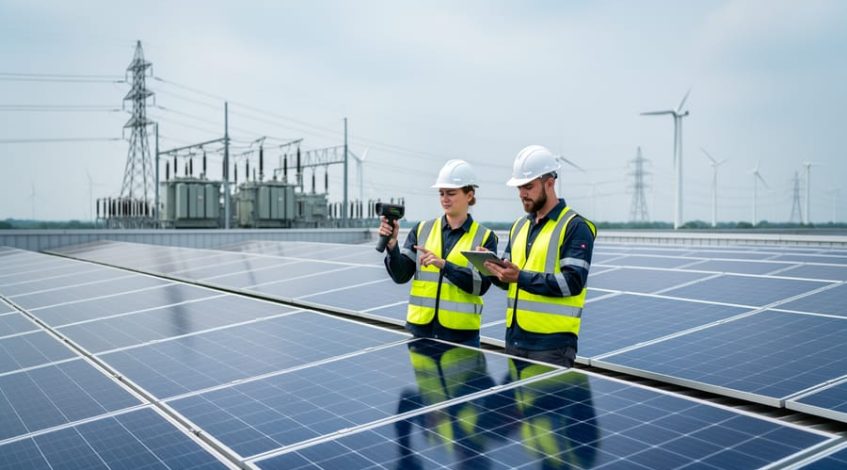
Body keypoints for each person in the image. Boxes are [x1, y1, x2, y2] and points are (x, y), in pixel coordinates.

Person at [485, 145, 596, 367]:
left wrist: (520, 277)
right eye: (519, 187)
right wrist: (490, 267)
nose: (522, 193)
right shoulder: (518, 226)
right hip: (515, 339)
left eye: (528, 186)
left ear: (550, 183)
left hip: (552, 346)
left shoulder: (575, 226)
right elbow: (509, 281)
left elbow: (572, 282)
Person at [380, 159, 498, 347]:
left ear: (469, 195)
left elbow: (481, 286)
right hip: (420, 330)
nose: (445, 198)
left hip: (461, 335)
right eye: (441, 193)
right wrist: (392, 246)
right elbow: (401, 276)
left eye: (451, 193)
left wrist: (444, 265)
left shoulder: (485, 237)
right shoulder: (422, 230)